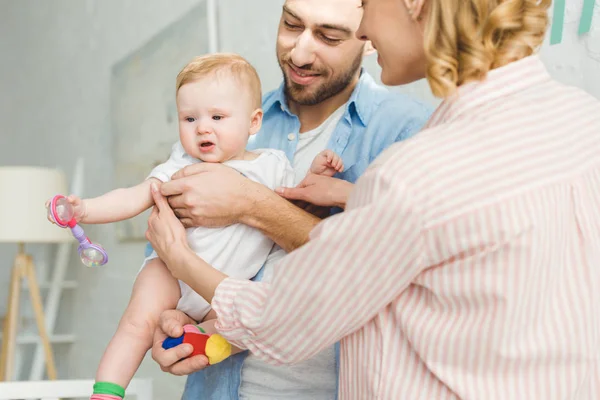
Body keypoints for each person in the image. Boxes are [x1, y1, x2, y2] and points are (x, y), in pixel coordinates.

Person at [147, 0, 600, 398]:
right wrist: (167, 312)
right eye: (291, 22)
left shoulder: (415, 168)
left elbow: (288, 318)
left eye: (366, 4)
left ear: (416, 3)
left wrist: (193, 249)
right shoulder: (584, 120)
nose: (365, 29)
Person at [148, 0, 431, 398]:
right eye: (291, 24)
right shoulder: (227, 118)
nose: (299, 52)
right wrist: (171, 315)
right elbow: (169, 242)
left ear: (367, 36)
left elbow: (382, 278)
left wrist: (251, 203)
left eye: (329, 36)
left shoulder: (410, 130)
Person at [45, 53, 335, 400]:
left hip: (223, 288)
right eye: (189, 118)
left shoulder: (272, 166)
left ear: (253, 121)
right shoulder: (180, 163)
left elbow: (294, 207)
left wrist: (317, 175)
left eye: (217, 116)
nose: (202, 127)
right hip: (169, 273)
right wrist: (85, 210)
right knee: (137, 323)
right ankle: (107, 392)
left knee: (242, 328)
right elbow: (134, 197)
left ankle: (202, 338)